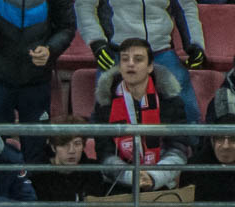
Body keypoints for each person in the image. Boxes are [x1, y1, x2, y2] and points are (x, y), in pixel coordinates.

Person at [0, 0, 75, 163]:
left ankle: (34, 179)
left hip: (36, 80)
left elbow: (67, 27)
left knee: (36, 147)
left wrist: (50, 50)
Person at [76, 0, 205, 124]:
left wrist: (195, 43)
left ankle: (192, 139)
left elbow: (186, 6)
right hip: (120, 52)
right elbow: (84, 5)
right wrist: (97, 42)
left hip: (161, 49)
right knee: (104, 109)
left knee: (187, 109)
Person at [91, 38, 189, 193]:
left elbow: (178, 148)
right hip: (119, 185)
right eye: (125, 59)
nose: (130, 64)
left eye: (138, 59)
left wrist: (154, 176)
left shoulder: (170, 100)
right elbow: (104, 153)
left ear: (150, 67)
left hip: (160, 182)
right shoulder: (105, 102)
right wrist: (131, 176)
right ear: (120, 66)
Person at [30, 115, 103, 207]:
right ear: (53, 147)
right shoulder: (39, 174)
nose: (72, 150)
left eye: (77, 144)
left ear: (84, 145)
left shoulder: (93, 171)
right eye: (64, 145)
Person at [179, 115, 235, 207]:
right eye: (220, 138)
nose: (226, 146)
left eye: (233, 139)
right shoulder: (195, 168)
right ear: (212, 140)